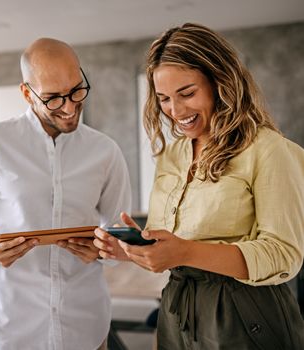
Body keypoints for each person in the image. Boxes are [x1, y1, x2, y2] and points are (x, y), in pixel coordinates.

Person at [94, 23, 304, 349]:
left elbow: (284, 254)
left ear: (220, 82)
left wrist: (187, 252)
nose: (175, 111)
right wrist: (130, 251)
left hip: (245, 313)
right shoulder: (172, 154)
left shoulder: (267, 149)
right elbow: (171, 241)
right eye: (163, 98)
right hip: (177, 309)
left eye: (187, 93)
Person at [0, 38, 131, 350]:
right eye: (52, 98)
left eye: (77, 90)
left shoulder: (106, 151)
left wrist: (107, 250)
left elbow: (121, 232)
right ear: (27, 93)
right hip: (10, 332)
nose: (69, 106)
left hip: (87, 332)